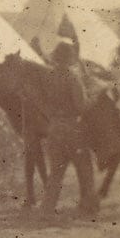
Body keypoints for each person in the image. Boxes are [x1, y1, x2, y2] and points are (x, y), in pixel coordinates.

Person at [40, 39, 100, 216]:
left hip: (54, 128)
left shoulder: (49, 77)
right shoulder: (73, 77)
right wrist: (95, 96)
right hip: (72, 129)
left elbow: (45, 104)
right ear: (70, 57)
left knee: (56, 172)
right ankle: (89, 207)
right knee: (85, 168)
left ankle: (47, 210)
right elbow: (82, 106)